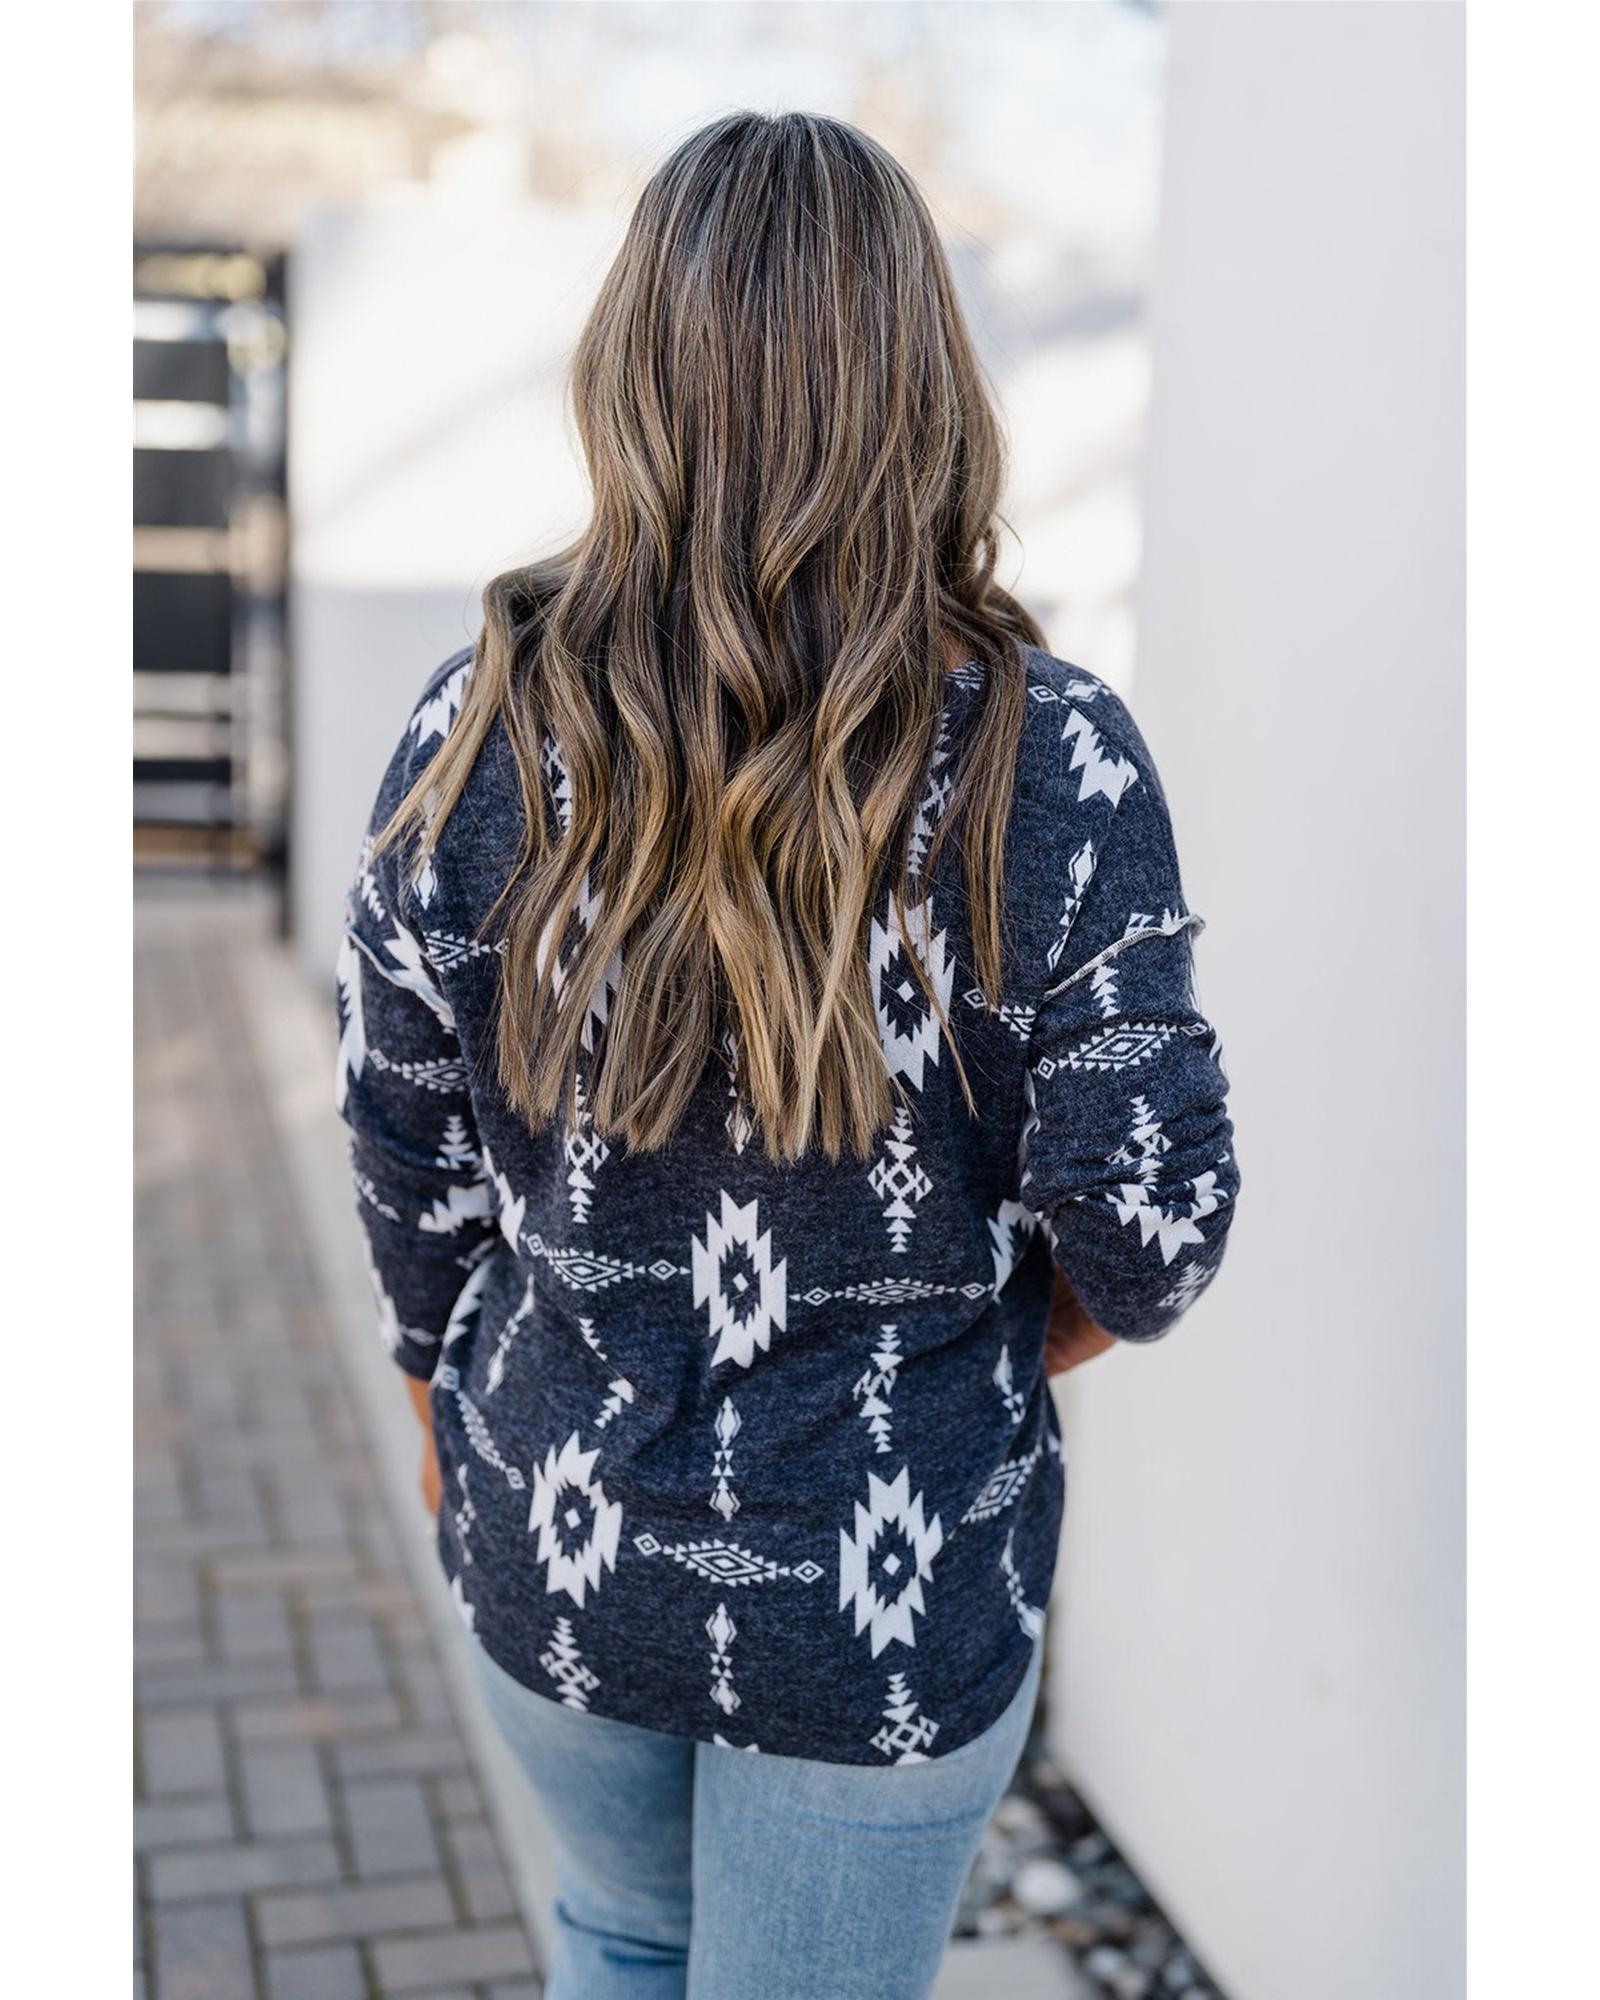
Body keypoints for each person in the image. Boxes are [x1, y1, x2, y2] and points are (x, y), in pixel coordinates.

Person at [335, 108, 1239, 2000]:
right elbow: (1151, 1231)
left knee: (620, 1935)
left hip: (557, 1534)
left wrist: (436, 1392)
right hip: (886, 1584)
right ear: (927, 386)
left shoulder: (471, 731)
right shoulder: (1052, 766)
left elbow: (406, 1154)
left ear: (629, 379)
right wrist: (1007, 1339)